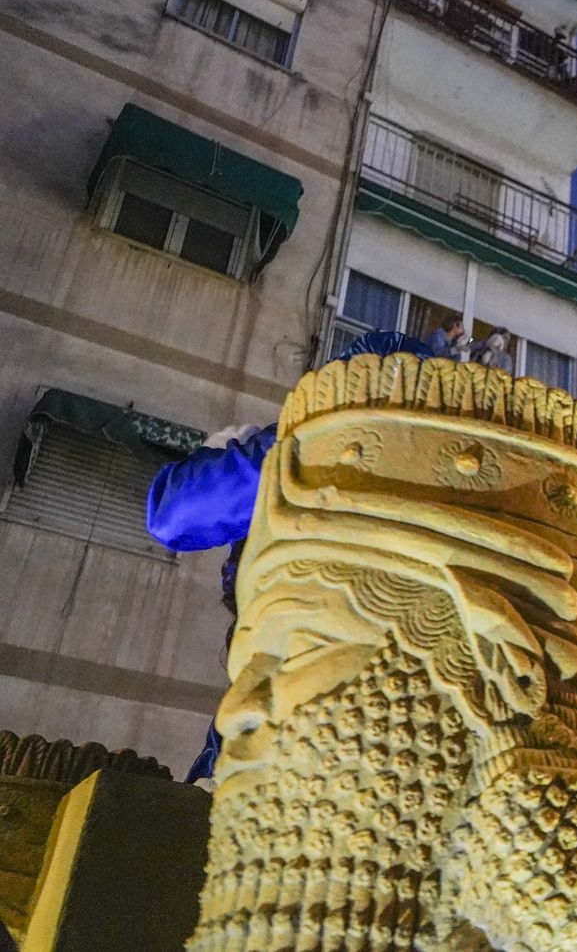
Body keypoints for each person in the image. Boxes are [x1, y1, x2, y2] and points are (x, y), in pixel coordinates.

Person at [146, 331, 437, 781]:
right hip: (314, 707)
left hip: (331, 710)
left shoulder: (325, 449)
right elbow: (178, 514)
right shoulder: (299, 450)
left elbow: (176, 514)